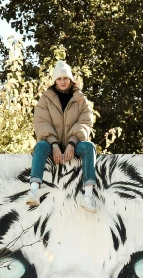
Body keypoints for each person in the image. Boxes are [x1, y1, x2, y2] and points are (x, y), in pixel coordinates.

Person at [27, 61, 97, 212]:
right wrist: (54, 145)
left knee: (89, 147)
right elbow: (41, 123)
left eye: (65, 78)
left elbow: (85, 121)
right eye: (59, 79)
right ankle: (33, 191)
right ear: (55, 80)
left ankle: (89, 196)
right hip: (51, 144)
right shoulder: (45, 99)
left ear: (71, 79)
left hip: (75, 143)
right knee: (40, 146)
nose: (62, 81)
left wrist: (72, 143)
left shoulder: (80, 99)